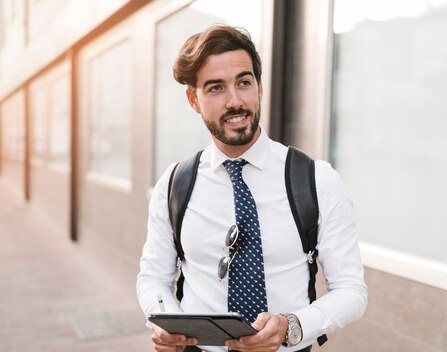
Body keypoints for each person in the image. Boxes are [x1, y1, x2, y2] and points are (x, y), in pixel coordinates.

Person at [136, 24, 367, 352]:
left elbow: (351, 291)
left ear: (259, 87)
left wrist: (292, 326)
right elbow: (152, 278)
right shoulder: (174, 184)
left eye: (244, 83)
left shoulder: (317, 180)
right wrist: (165, 320)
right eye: (215, 88)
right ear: (193, 100)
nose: (234, 102)